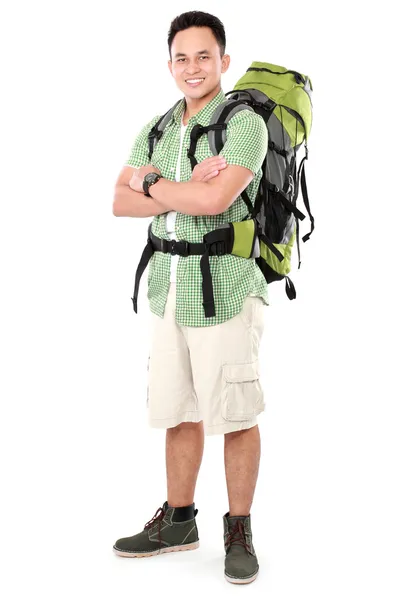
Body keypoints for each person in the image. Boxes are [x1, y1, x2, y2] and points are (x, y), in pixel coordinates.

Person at [112, 10, 268, 585]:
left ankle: (240, 529)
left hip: (225, 287)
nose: (193, 67)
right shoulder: (156, 127)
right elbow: (117, 201)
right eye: (182, 57)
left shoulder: (243, 123)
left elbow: (214, 202)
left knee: (234, 413)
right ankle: (179, 521)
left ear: (224, 61)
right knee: (179, 409)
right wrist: (176, 188)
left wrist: (151, 184)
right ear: (169, 64)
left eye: (205, 56)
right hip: (169, 288)